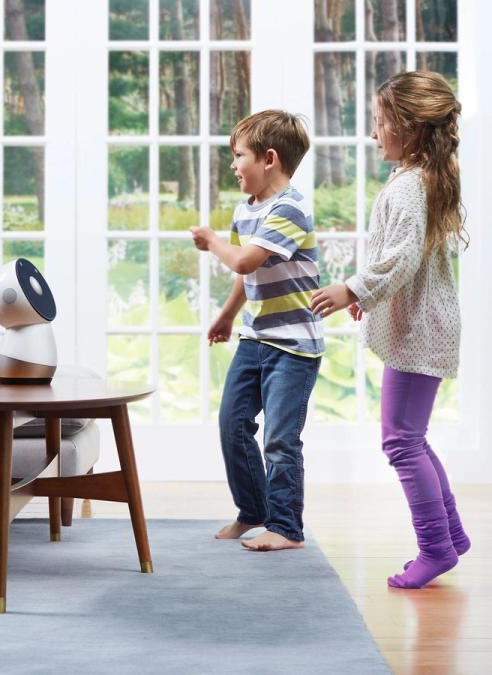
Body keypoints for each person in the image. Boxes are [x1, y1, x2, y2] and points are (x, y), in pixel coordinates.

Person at [312, 72, 469, 588]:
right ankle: (449, 534)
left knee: (401, 442)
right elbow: (405, 257)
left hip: (421, 329)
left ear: (410, 128)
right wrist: (371, 298)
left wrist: (353, 290)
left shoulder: (411, 187)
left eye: (381, 123)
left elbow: (399, 259)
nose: (374, 133)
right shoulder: (424, 178)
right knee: (412, 439)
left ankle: (436, 547)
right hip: (426, 322)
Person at [191, 110, 322, 552]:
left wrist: (212, 242)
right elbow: (245, 275)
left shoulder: (291, 208)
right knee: (233, 423)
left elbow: (245, 260)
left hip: (294, 348)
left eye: (238, 155)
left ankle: (286, 527)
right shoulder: (245, 210)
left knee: (281, 439)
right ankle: (253, 511)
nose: (233, 165)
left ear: (269, 158)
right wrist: (228, 315)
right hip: (256, 338)